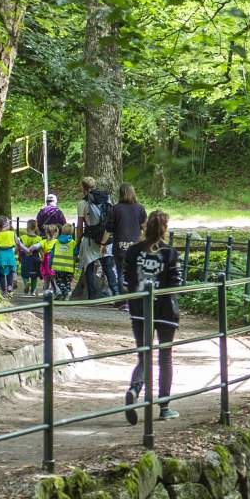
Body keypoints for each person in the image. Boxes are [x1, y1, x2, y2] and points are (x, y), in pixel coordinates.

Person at [123, 210, 182, 422]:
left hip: (140, 311)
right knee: (165, 358)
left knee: (144, 356)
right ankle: (164, 407)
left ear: (146, 226)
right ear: (165, 228)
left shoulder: (133, 251)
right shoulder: (170, 253)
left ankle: (134, 390)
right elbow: (176, 284)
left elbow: (127, 280)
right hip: (166, 312)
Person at [76, 178, 114, 296]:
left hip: (90, 238)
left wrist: (78, 241)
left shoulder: (83, 203)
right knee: (107, 267)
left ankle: (92, 296)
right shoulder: (106, 198)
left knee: (89, 267)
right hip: (105, 237)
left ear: (83, 188)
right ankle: (117, 293)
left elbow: (80, 224)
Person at [108, 183, 147, 295]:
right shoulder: (140, 208)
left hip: (119, 245)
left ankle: (122, 300)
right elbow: (145, 227)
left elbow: (109, 227)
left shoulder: (115, 209)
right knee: (134, 272)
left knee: (120, 272)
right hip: (135, 245)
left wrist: (102, 243)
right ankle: (133, 297)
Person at [0, 218, 19, 296]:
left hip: (0, 255)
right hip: (10, 255)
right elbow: (18, 243)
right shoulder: (12, 233)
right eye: (8, 223)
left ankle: (4, 291)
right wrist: (26, 250)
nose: (10, 225)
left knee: (1, 274)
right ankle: (9, 286)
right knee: (10, 272)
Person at [50, 225, 78, 298]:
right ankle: (67, 293)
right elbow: (76, 254)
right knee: (67, 282)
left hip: (58, 266)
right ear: (72, 232)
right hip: (69, 267)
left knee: (59, 282)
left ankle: (65, 292)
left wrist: (50, 264)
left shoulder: (56, 242)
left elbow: (52, 254)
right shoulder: (73, 243)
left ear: (62, 231)